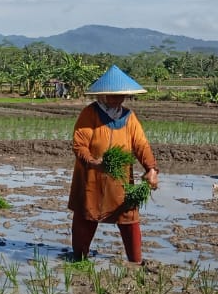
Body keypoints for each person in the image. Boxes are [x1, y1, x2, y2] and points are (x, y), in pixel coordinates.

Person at [67, 65, 159, 263]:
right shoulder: (89, 114)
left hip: (121, 179)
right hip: (92, 178)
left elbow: (141, 144)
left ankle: (135, 261)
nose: (119, 99)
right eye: (114, 95)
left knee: (129, 220)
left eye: (122, 95)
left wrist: (151, 169)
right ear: (103, 95)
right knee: (86, 217)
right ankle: (79, 259)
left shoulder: (129, 117)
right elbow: (79, 145)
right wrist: (93, 162)